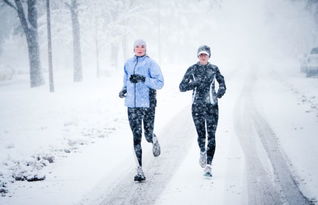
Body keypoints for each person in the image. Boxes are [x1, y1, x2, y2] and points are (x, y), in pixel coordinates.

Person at [119, 39, 164, 182]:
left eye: (142, 46)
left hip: (148, 104)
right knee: (136, 137)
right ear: (133, 49)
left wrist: (143, 79)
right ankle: (139, 170)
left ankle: (154, 139)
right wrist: (124, 90)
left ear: (146, 48)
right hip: (132, 105)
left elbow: (160, 83)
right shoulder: (128, 63)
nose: (139, 49)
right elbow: (126, 80)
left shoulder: (151, 64)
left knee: (147, 135)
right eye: (137, 46)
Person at [179, 45, 226, 177]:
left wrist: (220, 91)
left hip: (212, 106)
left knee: (211, 135)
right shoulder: (192, 69)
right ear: (198, 56)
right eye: (201, 55)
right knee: (201, 135)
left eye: (205, 54)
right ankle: (202, 151)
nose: (203, 57)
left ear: (209, 56)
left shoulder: (214, 69)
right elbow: (181, 87)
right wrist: (194, 83)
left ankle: (209, 165)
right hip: (197, 106)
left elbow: (222, 82)